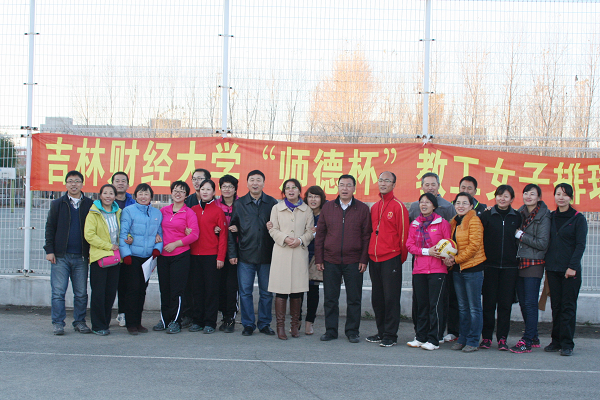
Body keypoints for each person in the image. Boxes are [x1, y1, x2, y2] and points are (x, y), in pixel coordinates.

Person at [315, 174, 371, 344]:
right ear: (337, 187)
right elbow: (320, 234)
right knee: (330, 298)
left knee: (354, 299)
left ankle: (352, 331)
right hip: (330, 260)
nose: (345, 188)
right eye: (342, 185)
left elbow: (366, 236)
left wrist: (364, 259)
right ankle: (331, 331)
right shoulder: (328, 207)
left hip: (354, 260)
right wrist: (319, 259)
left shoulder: (362, 209)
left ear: (354, 188)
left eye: (348, 185)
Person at [408, 172, 458, 344]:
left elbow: (449, 242)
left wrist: (447, 257)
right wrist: (426, 252)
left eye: (427, 202)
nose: (424, 205)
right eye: (422, 202)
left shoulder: (443, 222)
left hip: (438, 269)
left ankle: (434, 338)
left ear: (434, 206)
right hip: (419, 269)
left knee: (435, 305)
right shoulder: (415, 223)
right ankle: (420, 336)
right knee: (421, 305)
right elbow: (410, 245)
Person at [228, 170, 279, 336]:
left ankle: (264, 323)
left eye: (258, 180)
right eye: (252, 180)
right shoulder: (239, 204)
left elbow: (278, 227)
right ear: (247, 183)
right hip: (245, 255)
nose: (255, 183)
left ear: (264, 183)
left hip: (267, 255)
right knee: (245, 292)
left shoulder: (272, 203)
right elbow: (232, 230)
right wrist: (232, 254)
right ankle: (248, 324)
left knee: (266, 293)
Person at [44, 170, 93, 335]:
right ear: (66, 184)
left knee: (81, 293)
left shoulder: (90, 204)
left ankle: (79, 322)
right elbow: (50, 228)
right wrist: (49, 250)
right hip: (60, 256)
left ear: (82, 184)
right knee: (58, 292)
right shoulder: (58, 204)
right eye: (70, 181)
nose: (74, 184)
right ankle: (58, 323)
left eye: (77, 181)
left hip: (81, 256)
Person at [366, 171, 409, 348]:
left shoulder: (398, 206)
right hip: (374, 258)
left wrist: (399, 258)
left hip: (391, 258)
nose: (383, 183)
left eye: (387, 181)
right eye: (381, 180)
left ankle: (391, 334)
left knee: (391, 298)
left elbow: (404, 236)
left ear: (393, 184)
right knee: (377, 298)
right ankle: (381, 331)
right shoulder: (375, 207)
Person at [543, 183, 587, 356]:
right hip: (553, 269)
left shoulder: (578, 218)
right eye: (558, 194)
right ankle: (556, 341)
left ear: (571, 197)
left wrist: (572, 267)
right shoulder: (551, 217)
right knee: (556, 306)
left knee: (568, 307)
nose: (561, 197)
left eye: (565, 194)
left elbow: (580, 245)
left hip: (570, 271)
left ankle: (567, 343)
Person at [268, 179, 314, 340]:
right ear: (284, 192)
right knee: (281, 292)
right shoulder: (276, 208)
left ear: (299, 190)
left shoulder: (306, 209)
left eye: (294, 187)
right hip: (281, 253)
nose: (291, 190)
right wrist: (285, 238)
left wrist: (300, 240)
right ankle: (280, 327)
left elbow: (310, 231)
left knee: (297, 292)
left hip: (299, 253)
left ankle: (295, 326)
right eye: (287, 188)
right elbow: (272, 229)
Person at [509, 184, 551, 353]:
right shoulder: (520, 213)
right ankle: (533, 336)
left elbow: (542, 243)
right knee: (523, 303)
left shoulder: (544, 216)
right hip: (519, 261)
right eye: (526, 193)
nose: (528, 196)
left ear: (539, 197)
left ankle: (527, 339)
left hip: (534, 262)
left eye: (532, 194)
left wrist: (521, 235)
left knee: (530, 303)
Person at [479, 185, 522, 350]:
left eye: (506, 196)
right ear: (495, 197)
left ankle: (503, 338)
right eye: (499, 195)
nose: (502, 199)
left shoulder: (517, 216)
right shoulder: (487, 215)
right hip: (490, 266)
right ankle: (487, 338)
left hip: (510, 268)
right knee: (488, 304)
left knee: (505, 305)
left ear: (512, 199)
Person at [154, 181, 199, 334]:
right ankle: (164, 319)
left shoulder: (189, 213)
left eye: (182, 191)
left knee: (177, 290)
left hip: (180, 255)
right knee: (164, 289)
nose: (178, 193)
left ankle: (175, 321)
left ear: (186, 195)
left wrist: (176, 244)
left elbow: (194, 234)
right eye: (175, 190)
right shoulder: (163, 211)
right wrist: (157, 236)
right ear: (171, 193)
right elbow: (156, 228)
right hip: (163, 255)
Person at [118, 183, 163, 335]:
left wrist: (157, 250)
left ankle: (138, 322)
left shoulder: (157, 213)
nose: (143, 197)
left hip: (148, 258)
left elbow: (160, 234)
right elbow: (123, 234)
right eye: (140, 194)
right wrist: (126, 255)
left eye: (146, 194)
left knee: (142, 290)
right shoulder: (128, 211)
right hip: (132, 257)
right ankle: (130, 323)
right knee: (132, 290)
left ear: (151, 196)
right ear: (135, 196)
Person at [445, 192, 486, 353]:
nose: (460, 206)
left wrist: (456, 259)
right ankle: (462, 338)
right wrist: (449, 259)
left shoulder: (474, 220)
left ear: (471, 206)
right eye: (458, 203)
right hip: (458, 270)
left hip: (473, 269)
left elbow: (474, 246)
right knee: (462, 307)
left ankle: (473, 340)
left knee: (474, 307)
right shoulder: (454, 221)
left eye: (464, 203)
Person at [189, 179, 228, 334]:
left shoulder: (218, 211)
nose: (205, 192)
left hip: (211, 256)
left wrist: (220, 257)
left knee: (211, 290)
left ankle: (210, 322)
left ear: (214, 192)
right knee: (197, 290)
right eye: (202, 189)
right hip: (194, 255)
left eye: (208, 189)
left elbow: (223, 236)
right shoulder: (192, 210)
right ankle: (197, 320)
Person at [84, 184, 122, 336]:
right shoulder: (94, 213)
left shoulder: (118, 212)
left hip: (115, 258)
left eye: (111, 193)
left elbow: (123, 230)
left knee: (110, 292)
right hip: (99, 258)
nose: (108, 196)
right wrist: (109, 246)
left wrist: (128, 238)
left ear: (115, 196)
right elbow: (89, 235)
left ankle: (105, 323)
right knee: (99, 293)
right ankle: (97, 325)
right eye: (105, 193)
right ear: (100, 195)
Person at [181, 168, 212, 328]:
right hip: (189, 249)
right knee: (189, 284)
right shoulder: (188, 200)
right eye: (194, 178)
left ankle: (206, 317)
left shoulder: (214, 202)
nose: (196, 181)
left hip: (208, 250)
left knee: (207, 285)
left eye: (200, 178)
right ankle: (188, 315)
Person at [215, 174, 239, 333]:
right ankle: (222, 315)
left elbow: (249, 223)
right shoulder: (215, 205)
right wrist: (214, 228)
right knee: (219, 285)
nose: (227, 189)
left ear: (235, 189)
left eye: (230, 186)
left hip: (236, 251)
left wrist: (239, 229)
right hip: (217, 250)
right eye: (224, 186)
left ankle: (230, 318)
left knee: (232, 286)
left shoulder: (241, 204)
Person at [111, 171, 135, 328]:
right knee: (109, 284)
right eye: (117, 180)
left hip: (128, 250)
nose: (120, 183)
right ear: (112, 183)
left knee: (126, 284)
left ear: (128, 184)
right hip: (109, 249)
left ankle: (123, 313)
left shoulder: (133, 203)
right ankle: (104, 315)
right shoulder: (106, 202)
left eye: (123, 181)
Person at [303, 185, 327, 335]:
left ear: (321, 199)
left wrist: (321, 231)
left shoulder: (326, 214)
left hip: (316, 255)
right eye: (310, 196)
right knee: (298, 290)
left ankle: (309, 322)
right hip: (301, 253)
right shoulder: (302, 212)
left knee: (313, 290)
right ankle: (296, 321)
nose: (313, 200)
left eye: (316, 197)